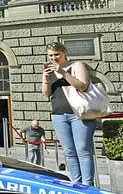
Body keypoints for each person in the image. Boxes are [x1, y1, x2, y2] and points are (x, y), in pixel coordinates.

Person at [42, 41, 97, 185]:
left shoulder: (76, 65)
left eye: (56, 54)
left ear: (63, 52)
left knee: (83, 151)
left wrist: (63, 72)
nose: (53, 58)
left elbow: (82, 86)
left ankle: (88, 186)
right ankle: (75, 183)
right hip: (59, 115)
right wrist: (46, 79)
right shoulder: (50, 69)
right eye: (50, 56)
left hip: (79, 114)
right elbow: (46, 94)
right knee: (69, 152)